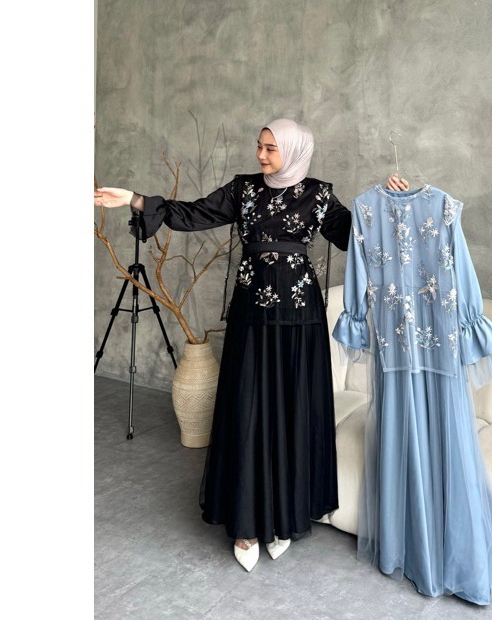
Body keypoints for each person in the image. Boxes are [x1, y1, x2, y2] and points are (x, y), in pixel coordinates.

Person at [94, 119, 408, 572]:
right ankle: (246, 523)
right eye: (259, 146)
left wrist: (390, 203)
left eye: (270, 149)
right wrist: (135, 199)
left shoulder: (319, 195)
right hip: (250, 316)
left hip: (299, 320)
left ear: (293, 151)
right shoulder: (243, 189)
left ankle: (283, 519)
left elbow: (357, 237)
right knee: (247, 410)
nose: (261, 155)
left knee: (291, 411)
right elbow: (193, 214)